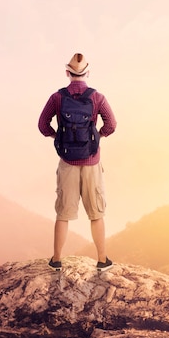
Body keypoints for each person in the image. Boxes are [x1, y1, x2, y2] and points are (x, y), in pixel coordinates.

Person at [38, 52, 117, 271]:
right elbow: (111, 124)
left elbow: (43, 125)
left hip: (67, 161)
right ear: (87, 73)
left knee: (63, 213)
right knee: (96, 213)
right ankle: (102, 260)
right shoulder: (97, 97)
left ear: (67, 73)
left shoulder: (57, 98)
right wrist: (97, 137)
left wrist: (58, 136)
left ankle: (56, 260)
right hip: (92, 161)